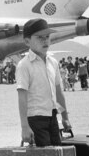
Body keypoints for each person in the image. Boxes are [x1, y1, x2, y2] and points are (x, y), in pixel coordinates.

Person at [16, 18, 71, 147]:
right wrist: (24, 126)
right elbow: (22, 97)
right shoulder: (24, 65)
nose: (45, 40)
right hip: (35, 119)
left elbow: (58, 93)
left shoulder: (53, 62)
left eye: (47, 36)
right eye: (40, 37)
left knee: (57, 154)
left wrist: (65, 117)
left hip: (52, 116)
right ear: (27, 41)